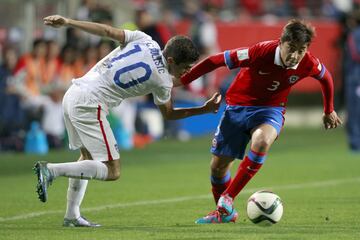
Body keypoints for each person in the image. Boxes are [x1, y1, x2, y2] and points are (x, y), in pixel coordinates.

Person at [34, 14, 222, 227]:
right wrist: (203, 109)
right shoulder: (162, 82)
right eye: (185, 68)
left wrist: (69, 22)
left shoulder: (145, 40)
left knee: (86, 157)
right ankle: (51, 170)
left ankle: (71, 215)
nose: (186, 73)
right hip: (89, 103)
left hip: (74, 92)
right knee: (112, 170)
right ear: (171, 61)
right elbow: (169, 113)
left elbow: (106, 31)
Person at [178, 19, 343, 224]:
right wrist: (182, 80)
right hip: (237, 106)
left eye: (301, 50)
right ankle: (224, 215)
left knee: (262, 141)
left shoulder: (308, 62)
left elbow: (326, 77)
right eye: (291, 48)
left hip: (270, 110)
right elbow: (215, 60)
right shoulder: (260, 52)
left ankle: (227, 198)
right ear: (281, 42)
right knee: (218, 167)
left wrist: (329, 110)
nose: (295, 56)